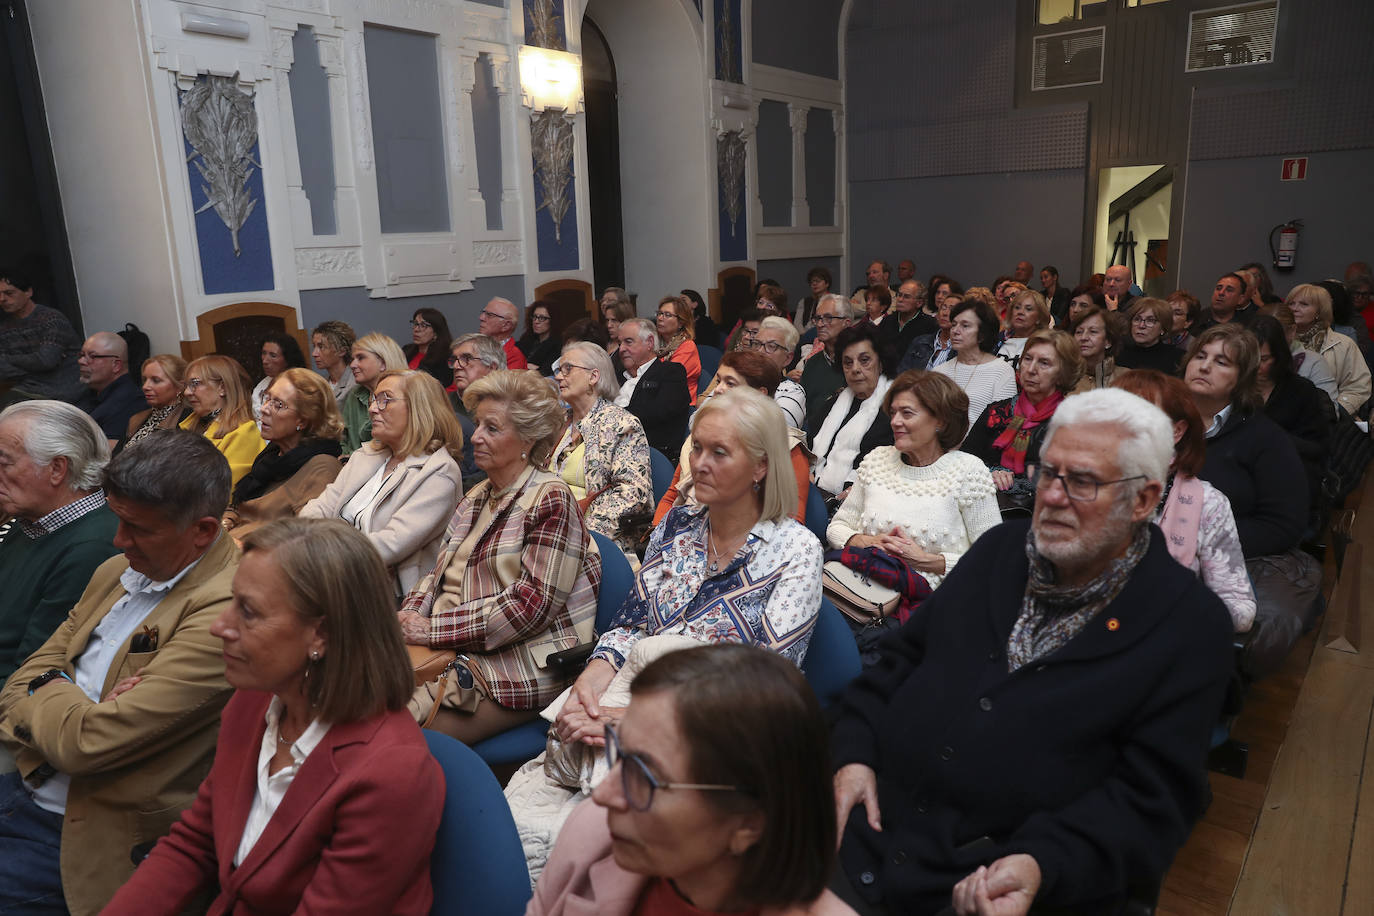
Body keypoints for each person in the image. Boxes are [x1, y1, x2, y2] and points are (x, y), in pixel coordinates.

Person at [830, 389, 1233, 916]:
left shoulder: (1188, 625)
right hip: (870, 832)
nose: (1054, 496)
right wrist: (853, 754)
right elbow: (897, 665)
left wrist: (1044, 863)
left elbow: (1152, 801)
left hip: (993, 885)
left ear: (1142, 500)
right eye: (1048, 473)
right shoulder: (999, 553)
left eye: (1083, 481)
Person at [101, 519, 443, 916]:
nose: (220, 626)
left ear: (322, 635)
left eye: (248, 612)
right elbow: (195, 844)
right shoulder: (254, 702)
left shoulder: (391, 775)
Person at [0, 430, 238, 915]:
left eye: (138, 528)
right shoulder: (117, 571)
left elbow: (88, 745)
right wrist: (69, 702)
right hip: (25, 784)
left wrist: (48, 695)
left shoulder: (227, 610)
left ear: (203, 531)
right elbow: (17, 686)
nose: (117, 539)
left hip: (83, 833)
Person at [557, 387, 824, 751]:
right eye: (697, 447)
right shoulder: (677, 525)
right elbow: (632, 625)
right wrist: (593, 677)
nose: (699, 463)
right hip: (635, 693)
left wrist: (638, 720)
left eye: (719, 453)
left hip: (716, 734)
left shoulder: (796, 550)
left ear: (761, 465)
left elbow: (765, 682)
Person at [530, 645, 855, 916]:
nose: (604, 796)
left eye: (645, 776)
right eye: (622, 751)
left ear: (749, 825)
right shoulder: (590, 834)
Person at [398, 370, 600, 742]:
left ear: (527, 439)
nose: (475, 436)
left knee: (389, 734)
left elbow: (530, 608)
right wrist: (411, 611)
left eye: (492, 428)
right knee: (343, 694)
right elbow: (435, 574)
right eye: (477, 425)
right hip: (447, 646)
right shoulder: (478, 495)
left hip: (513, 662)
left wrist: (432, 629)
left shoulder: (550, 498)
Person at [1185, 325, 1314, 676]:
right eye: (1200, 356)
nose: (1205, 366)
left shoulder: (1265, 438)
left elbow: (1283, 525)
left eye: (1221, 361)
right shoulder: (1159, 421)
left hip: (1237, 555)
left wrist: (1205, 540)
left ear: (1242, 378)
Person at [1113, 370, 1256, 632]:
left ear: (1176, 431)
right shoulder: (1083, 487)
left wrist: (1176, 613)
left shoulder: (1208, 504)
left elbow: (1240, 607)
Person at [299, 370, 463, 597]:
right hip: (339, 573)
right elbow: (319, 508)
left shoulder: (438, 472)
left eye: (385, 399)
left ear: (419, 408)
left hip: (392, 597)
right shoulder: (365, 455)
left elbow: (390, 544)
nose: (373, 408)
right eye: (374, 399)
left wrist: (322, 552)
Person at [828, 371, 999, 590]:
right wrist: (869, 543)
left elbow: (992, 559)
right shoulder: (877, 459)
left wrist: (925, 561)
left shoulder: (969, 471)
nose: (895, 422)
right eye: (893, 413)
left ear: (941, 420)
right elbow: (837, 528)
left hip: (930, 606)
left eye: (906, 413)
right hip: (858, 591)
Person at [0, 402, 119, 683]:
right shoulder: (32, 520)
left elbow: (30, 675)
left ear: (57, 469)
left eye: (4, 463)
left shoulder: (93, 547)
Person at [655, 350, 813, 526]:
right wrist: (659, 534)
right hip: (683, 534)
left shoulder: (787, 447)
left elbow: (791, 521)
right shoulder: (702, 436)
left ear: (759, 394)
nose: (718, 390)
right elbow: (671, 498)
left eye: (730, 384)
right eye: (718, 381)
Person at [551, 341, 653, 558]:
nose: (559, 376)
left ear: (593, 377)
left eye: (567, 369)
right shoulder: (557, 423)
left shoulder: (622, 424)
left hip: (597, 541)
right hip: (550, 532)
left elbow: (633, 495)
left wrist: (578, 534)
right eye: (559, 370)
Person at [221, 368, 344, 540]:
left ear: (303, 419)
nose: (264, 409)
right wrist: (225, 523)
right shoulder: (271, 455)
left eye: (278, 404)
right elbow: (239, 503)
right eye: (267, 398)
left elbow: (309, 537)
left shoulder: (322, 466)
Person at [963, 329, 1083, 503]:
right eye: (1027, 359)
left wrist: (1010, 483)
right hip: (984, 504)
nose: (1031, 369)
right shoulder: (997, 412)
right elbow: (965, 462)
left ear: (1062, 373)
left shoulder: (1072, 422)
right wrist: (991, 474)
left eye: (1044, 363)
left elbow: (1070, 481)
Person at [1251, 314, 1333, 522]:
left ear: (1278, 357)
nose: (1255, 367)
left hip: (1289, 474)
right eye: (1248, 359)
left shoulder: (1300, 390)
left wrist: (1274, 438)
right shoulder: (1233, 387)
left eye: (1263, 360)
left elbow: (1318, 448)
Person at [809, 324, 896, 501]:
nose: (855, 369)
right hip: (816, 494)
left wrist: (857, 490)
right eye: (848, 362)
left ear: (881, 363)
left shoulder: (895, 409)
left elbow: (894, 467)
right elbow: (809, 449)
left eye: (864, 360)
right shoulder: (832, 404)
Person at [179, 355, 266, 488]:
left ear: (223, 388)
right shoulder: (189, 426)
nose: (186, 392)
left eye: (195, 384)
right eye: (186, 385)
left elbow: (223, 492)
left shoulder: (243, 433)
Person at [0, 267, 83, 404]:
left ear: (28, 292)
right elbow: (3, 371)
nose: (2, 299)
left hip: (65, 389)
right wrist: (38, 364)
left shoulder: (52, 319)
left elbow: (46, 360)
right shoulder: (4, 328)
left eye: (9, 293)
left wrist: (7, 358)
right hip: (29, 390)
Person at [1287, 282, 1371, 417]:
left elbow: (1358, 387)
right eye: (1291, 303)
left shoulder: (1343, 343)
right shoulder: (1279, 340)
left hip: (1329, 420)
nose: (1294, 309)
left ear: (1319, 312)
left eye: (1304, 304)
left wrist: (1337, 411)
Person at [933, 299, 1018, 430]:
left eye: (965, 326)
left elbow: (1000, 426)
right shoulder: (939, 372)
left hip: (978, 448)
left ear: (982, 334)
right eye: (954, 324)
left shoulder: (1002, 371)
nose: (955, 330)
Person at [615, 318, 691, 457]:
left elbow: (655, 412)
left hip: (648, 454)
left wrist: (608, 418)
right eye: (619, 343)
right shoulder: (616, 377)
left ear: (649, 342)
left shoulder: (670, 372)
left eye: (628, 342)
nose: (621, 349)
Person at [341, 332, 407, 455]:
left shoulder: (407, 392)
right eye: (353, 359)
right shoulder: (354, 395)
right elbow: (344, 439)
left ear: (382, 363)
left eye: (360, 358)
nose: (352, 365)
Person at [75, 332, 146, 446]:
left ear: (116, 365)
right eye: (81, 355)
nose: (81, 361)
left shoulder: (130, 402)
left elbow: (108, 457)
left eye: (92, 356)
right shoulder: (90, 393)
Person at [799, 293, 858, 417]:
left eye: (828, 318)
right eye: (818, 318)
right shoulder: (812, 363)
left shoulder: (859, 363)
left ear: (846, 323)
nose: (820, 324)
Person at [120, 354, 190, 451]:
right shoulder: (136, 419)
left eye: (156, 380)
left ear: (180, 386)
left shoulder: (188, 421)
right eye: (145, 380)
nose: (145, 387)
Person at [1272, 302, 1339, 402]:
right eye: (1292, 303)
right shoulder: (1250, 356)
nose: (1296, 308)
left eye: (1304, 304)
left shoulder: (1314, 362)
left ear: (1292, 331)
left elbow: (1328, 409)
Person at [752, 315, 808, 429]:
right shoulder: (733, 379)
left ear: (788, 358)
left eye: (771, 346)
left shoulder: (792, 392)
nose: (760, 351)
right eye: (757, 344)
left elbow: (773, 435)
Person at [1116, 297, 1185, 374]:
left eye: (1150, 321)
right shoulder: (1118, 355)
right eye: (1137, 319)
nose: (1141, 325)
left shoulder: (1177, 359)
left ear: (1163, 328)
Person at [877, 281, 936, 369]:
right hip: (884, 374)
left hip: (912, 376)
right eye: (899, 295)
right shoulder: (887, 321)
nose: (900, 299)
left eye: (906, 297)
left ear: (919, 303)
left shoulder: (929, 325)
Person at [655, 295, 703, 403]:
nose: (660, 318)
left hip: (679, 404)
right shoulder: (654, 343)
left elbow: (667, 378)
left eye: (667, 315)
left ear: (681, 322)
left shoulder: (687, 346)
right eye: (659, 313)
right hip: (658, 398)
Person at [898, 291, 960, 374]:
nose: (945, 313)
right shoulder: (920, 342)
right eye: (943, 308)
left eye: (952, 309)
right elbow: (902, 373)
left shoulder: (962, 350)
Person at [250, 332, 307, 422]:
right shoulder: (262, 384)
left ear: (288, 359)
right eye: (264, 353)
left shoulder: (298, 385)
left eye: (273, 355)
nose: (265, 360)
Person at [1069, 304, 1121, 392]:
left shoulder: (1127, 378)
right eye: (1079, 332)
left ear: (1108, 341)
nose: (1084, 337)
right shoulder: (1063, 378)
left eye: (1093, 331)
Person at [996, 289, 1051, 368]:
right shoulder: (998, 339)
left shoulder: (1044, 345)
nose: (1020, 312)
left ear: (1039, 318)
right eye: (1017, 307)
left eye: (1028, 309)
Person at [403, 307, 453, 387]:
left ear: (436, 332)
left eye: (423, 325)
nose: (416, 329)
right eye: (415, 324)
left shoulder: (443, 359)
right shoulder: (406, 350)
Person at [310, 320, 356, 404]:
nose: (314, 354)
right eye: (314, 346)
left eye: (321, 347)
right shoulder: (320, 386)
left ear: (342, 351)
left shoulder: (355, 383)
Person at [479, 296, 528, 370]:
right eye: (483, 312)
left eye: (489, 315)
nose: (481, 317)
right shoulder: (474, 346)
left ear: (506, 325)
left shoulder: (515, 356)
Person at [518, 299, 561, 373]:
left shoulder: (558, 345)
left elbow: (547, 371)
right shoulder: (526, 340)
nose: (536, 321)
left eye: (542, 318)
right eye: (534, 317)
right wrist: (527, 366)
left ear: (552, 320)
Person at [796, 265, 833, 336]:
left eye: (818, 281)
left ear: (827, 283)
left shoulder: (833, 301)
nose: (814, 284)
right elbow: (797, 324)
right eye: (812, 281)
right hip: (803, 336)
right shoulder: (804, 301)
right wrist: (805, 335)